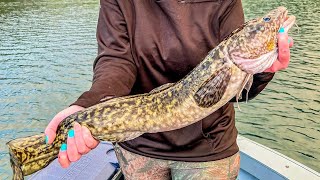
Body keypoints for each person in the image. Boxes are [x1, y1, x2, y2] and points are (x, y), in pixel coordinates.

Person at [45, 0, 293, 179]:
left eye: (266, 22)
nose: (272, 20)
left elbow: (236, 93)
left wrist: (262, 70)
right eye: (267, 21)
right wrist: (89, 103)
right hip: (140, 147)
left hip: (208, 149)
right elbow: (116, 60)